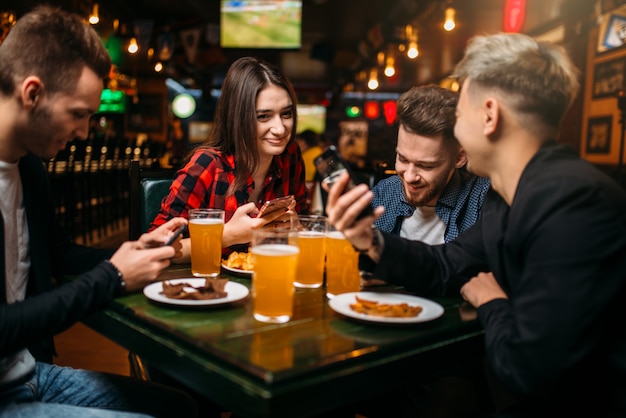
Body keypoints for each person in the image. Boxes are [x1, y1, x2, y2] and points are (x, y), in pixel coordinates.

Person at [325, 32, 626, 416]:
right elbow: (445, 265)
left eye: (460, 110)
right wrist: (370, 241)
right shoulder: (510, 193)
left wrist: (492, 301)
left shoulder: (575, 202)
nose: (457, 122)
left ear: (489, 115)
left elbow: (529, 371)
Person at [0, 6, 197, 417]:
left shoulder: (28, 165)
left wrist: (135, 250)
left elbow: (60, 254)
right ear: (32, 93)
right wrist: (113, 276)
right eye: (79, 114)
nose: (85, 133)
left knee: (183, 407)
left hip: (27, 373)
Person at [151, 56, 309, 257]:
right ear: (238, 117)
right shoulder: (207, 165)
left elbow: (304, 226)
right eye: (263, 116)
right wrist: (228, 236)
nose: (279, 128)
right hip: (208, 285)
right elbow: (155, 248)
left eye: (286, 114)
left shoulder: (290, 158)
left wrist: (294, 228)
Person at [372, 85, 490, 245]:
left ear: (460, 158)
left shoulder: (482, 200)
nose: (409, 176)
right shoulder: (384, 193)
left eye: (426, 166)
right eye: (403, 159)